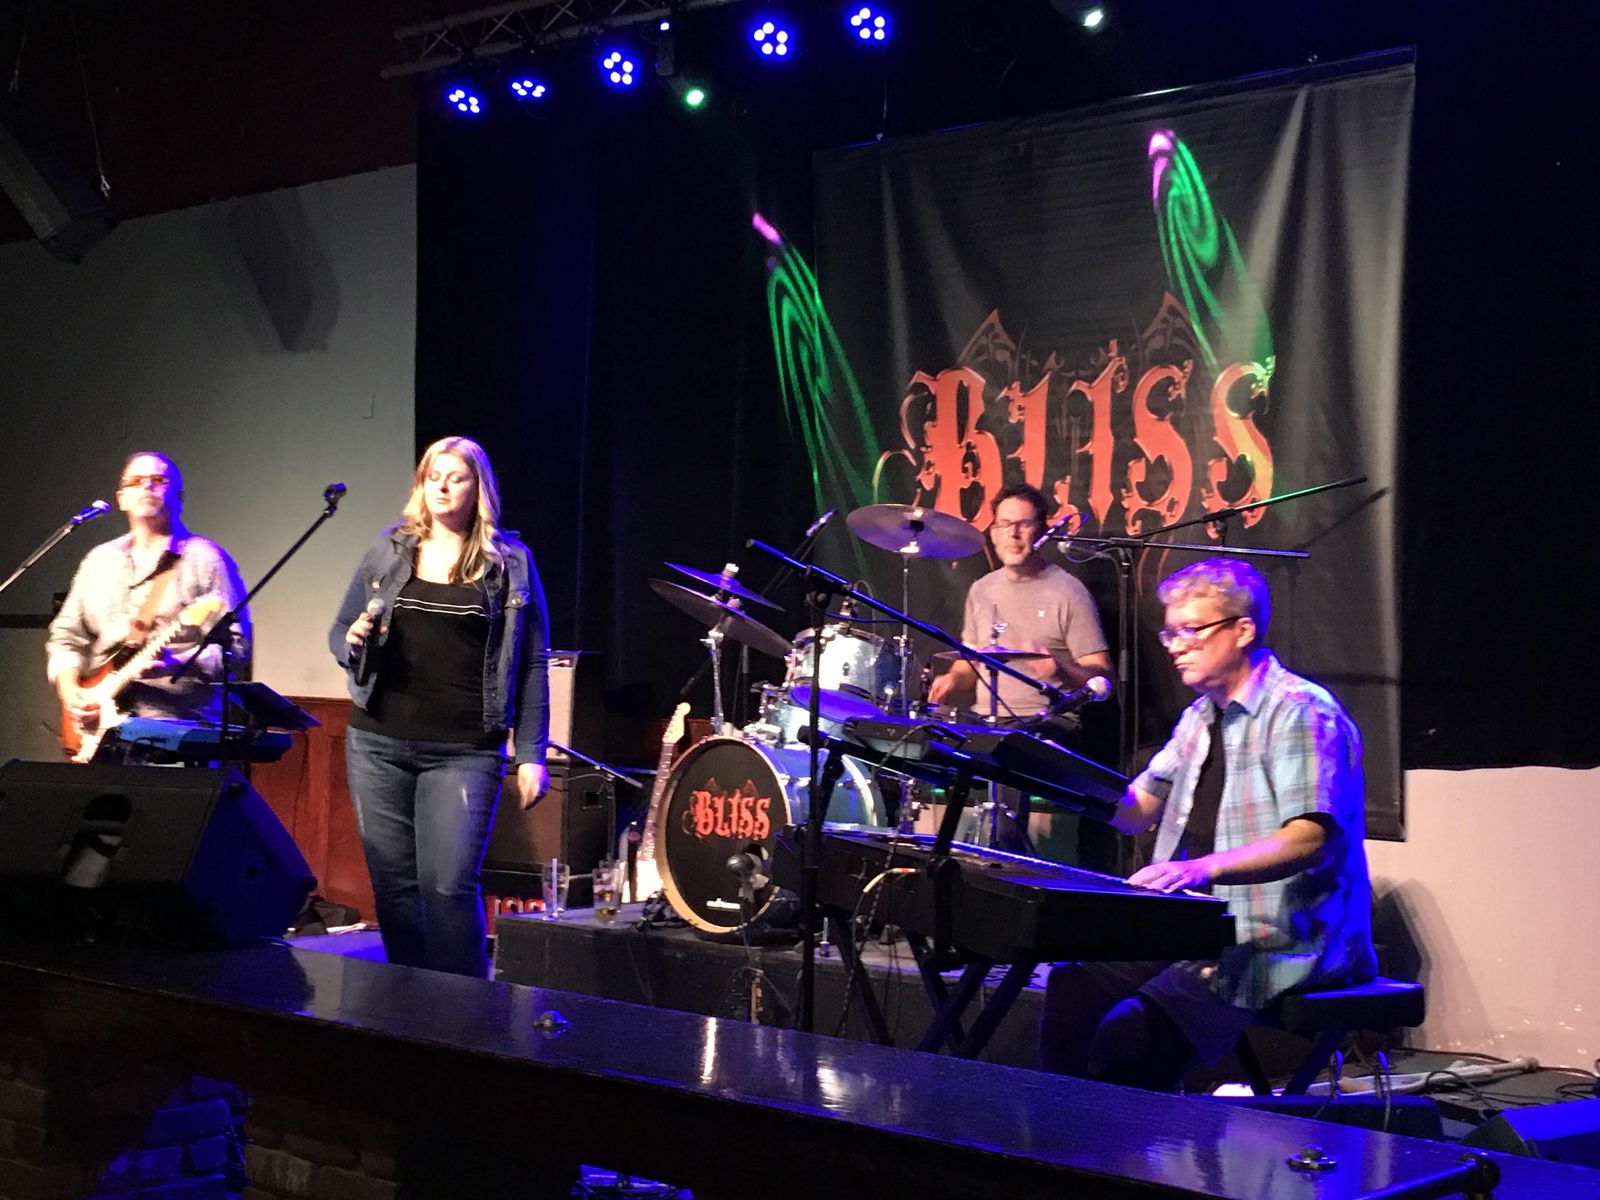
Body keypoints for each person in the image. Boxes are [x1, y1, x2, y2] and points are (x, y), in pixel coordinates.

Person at [1038, 558, 1376, 1090]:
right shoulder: (1200, 716)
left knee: (1130, 1036)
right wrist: (1050, 771)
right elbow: (1135, 810)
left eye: (1191, 630)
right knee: (1072, 985)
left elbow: (1310, 838)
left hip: (1280, 937)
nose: (1176, 645)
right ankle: (1052, 1128)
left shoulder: (1301, 712)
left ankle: (1129, 1140)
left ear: (1243, 630)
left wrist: (1199, 870)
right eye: (1170, 633)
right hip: (1195, 923)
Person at [329, 436, 550, 978]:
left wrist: (531, 754)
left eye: (457, 477)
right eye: (434, 477)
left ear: (479, 488)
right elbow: (339, 631)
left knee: (448, 886)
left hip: (464, 750)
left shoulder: (510, 563)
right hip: (377, 742)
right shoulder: (388, 550)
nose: (443, 487)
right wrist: (351, 642)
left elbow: (533, 663)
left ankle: (466, 1010)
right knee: (395, 887)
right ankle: (410, 1004)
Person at [926, 481, 1114, 865]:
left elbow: (1101, 674)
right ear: (993, 532)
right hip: (987, 723)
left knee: (1009, 753)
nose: (1013, 534)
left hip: (1048, 725)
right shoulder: (981, 590)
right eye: (1004, 524)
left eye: (1024, 524)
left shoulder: (1068, 592)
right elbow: (973, 662)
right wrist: (953, 680)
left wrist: (1059, 667)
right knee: (930, 742)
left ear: (1041, 531)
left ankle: (1008, 864)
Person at [47, 451, 249, 748]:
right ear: (121, 499)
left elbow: (236, 647)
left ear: (178, 497)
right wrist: (70, 691)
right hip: (98, 726)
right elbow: (66, 637)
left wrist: (175, 663)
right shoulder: (99, 560)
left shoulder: (206, 560)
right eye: (136, 481)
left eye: (158, 479)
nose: (146, 486)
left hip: (178, 726)